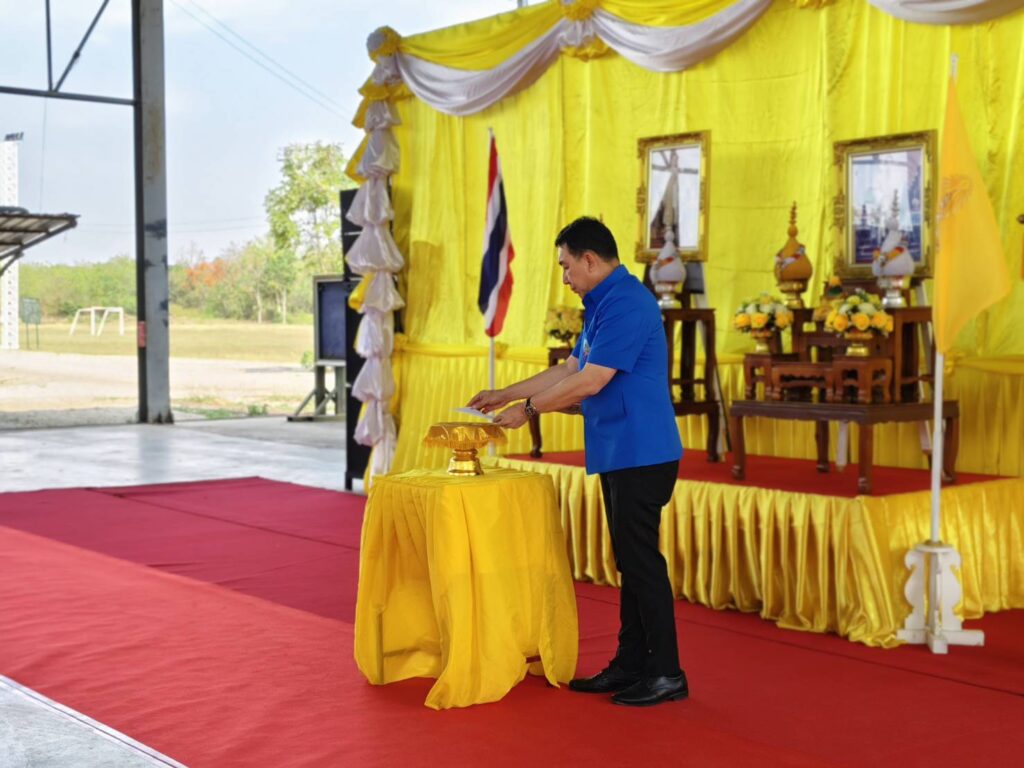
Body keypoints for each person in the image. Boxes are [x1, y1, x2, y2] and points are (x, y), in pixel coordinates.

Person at [467, 216, 686, 707]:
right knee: (630, 562)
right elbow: (570, 368)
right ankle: (632, 663)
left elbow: (590, 382)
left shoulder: (627, 303)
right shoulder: (603, 304)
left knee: (641, 563)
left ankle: (667, 672)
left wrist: (527, 411)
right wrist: (506, 393)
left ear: (589, 259)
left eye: (566, 266)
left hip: (642, 451)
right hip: (621, 449)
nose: (565, 277)